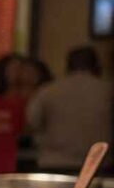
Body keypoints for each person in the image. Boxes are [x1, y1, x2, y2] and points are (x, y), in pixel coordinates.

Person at [26, 46, 113, 174]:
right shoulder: (107, 91)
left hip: (54, 163)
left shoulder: (48, 91)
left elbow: (32, 121)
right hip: (98, 165)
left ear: (68, 65)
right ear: (97, 66)